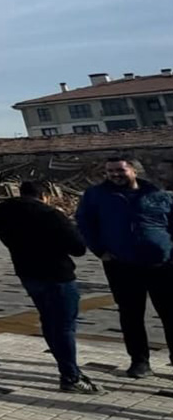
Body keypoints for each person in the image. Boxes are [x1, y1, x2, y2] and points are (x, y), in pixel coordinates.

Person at [0, 181, 99, 393]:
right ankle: (70, 375)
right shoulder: (50, 214)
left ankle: (67, 368)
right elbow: (78, 248)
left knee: (49, 321)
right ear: (45, 195)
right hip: (57, 274)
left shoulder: (3, 212)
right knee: (64, 326)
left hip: (28, 273)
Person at [76, 157, 173, 378]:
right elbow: (85, 223)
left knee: (170, 314)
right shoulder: (96, 196)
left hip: (162, 265)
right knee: (131, 315)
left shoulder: (156, 194)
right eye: (110, 171)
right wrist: (99, 251)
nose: (114, 175)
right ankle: (139, 361)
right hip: (122, 266)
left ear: (134, 170)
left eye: (120, 170)